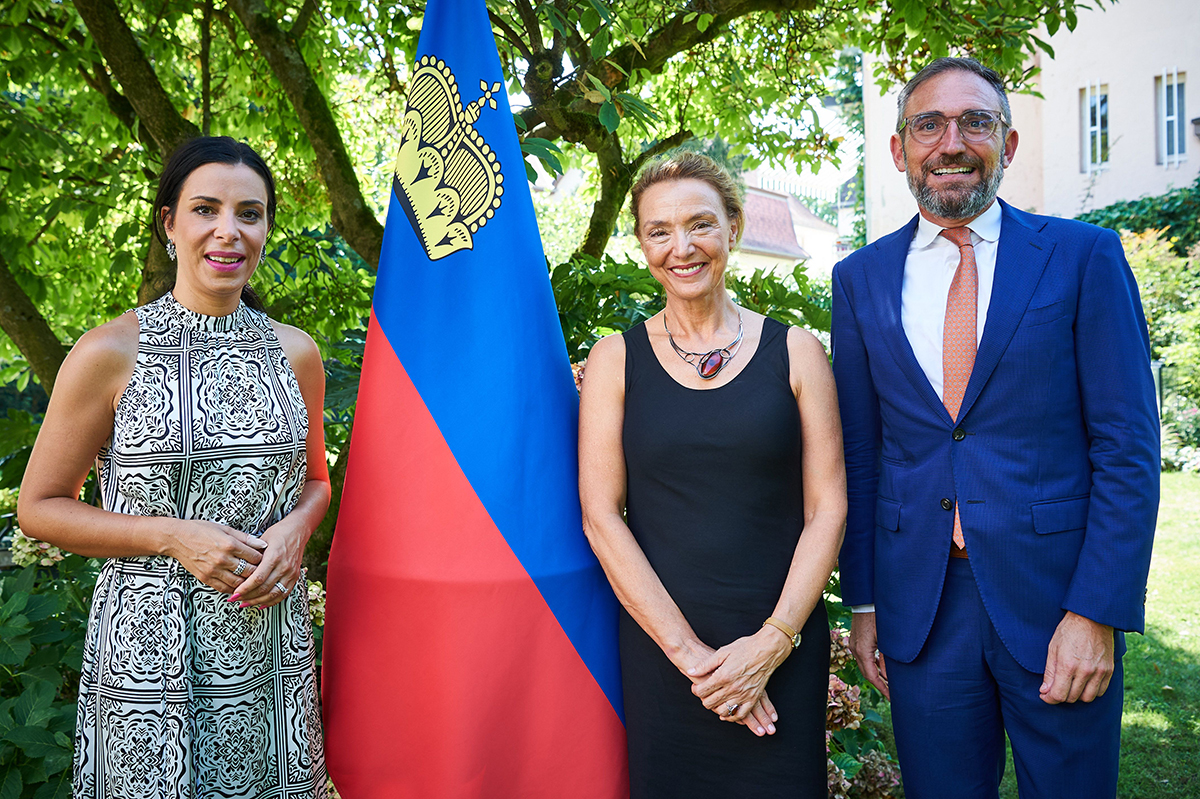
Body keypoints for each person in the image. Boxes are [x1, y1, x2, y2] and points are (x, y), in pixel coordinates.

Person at [831, 57, 1159, 799]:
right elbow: (863, 450)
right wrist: (866, 603)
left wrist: (1096, 611)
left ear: (1006, 145)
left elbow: (1128, 449)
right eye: (929, 124)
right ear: (899, 148)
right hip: (920, 608)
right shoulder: (858, 280)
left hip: (1057, 602)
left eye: (975, 121)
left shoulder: (1085, 257)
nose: (952, 142)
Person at [18, 136, 331, 798]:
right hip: (148, 655)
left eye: (250, 213)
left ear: (268, 226)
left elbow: (316, 481)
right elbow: (40, 504)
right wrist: (168, 533)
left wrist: (297, 529)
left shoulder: (296, 355)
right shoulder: (109, 351)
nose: (229, 231)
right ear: (169, 223)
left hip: (269, 647)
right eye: (206, 209)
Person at [578, 150, 846, 797]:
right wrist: (696, 661)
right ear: (641, 242)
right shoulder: (614, 361)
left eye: (699, 223)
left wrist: (771, 644)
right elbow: (599, 514)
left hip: (781, 652)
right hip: (662, 657)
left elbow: (828, 508)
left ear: (734, 226)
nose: (682, 247)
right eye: (659, 230)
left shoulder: (799, 352)